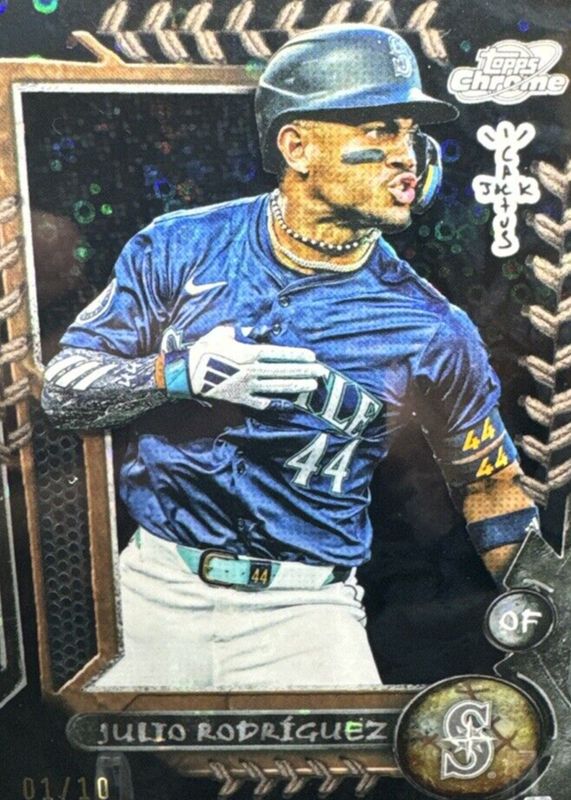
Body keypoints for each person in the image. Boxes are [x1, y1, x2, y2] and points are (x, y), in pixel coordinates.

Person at [41, 24, 539, 690]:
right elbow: (62, 393)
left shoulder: (433, 327)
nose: (407, 156)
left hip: (306, 614)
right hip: (153, 591)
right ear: (297, 146)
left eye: (411, 133)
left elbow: (488, 483)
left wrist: (550, 605)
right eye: (379, 130)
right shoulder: (179, 247)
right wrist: (176, 373)